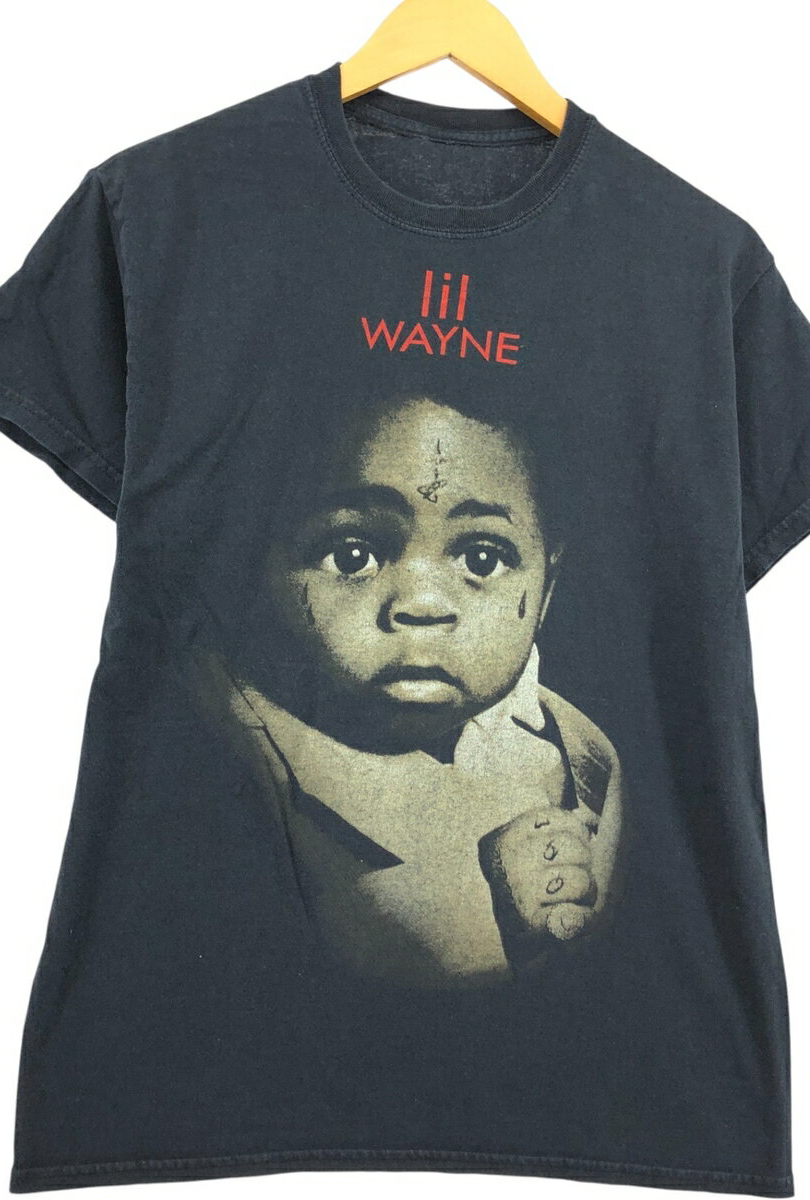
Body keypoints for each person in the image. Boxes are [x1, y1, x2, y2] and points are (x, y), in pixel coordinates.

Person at [183, 390, 625, 989]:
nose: (422, 603)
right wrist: (487, 900)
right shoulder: (227, 734)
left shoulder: (583, 751)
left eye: (482, 558)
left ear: (546, 586)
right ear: (264, 565)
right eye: (353, 555)